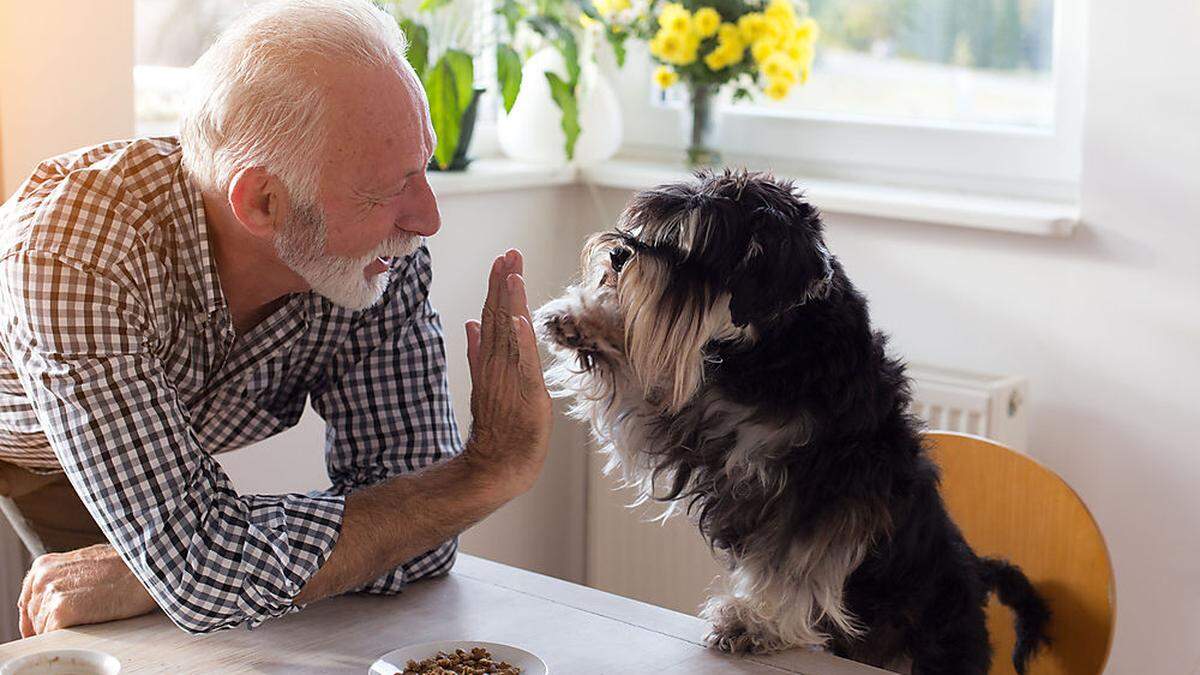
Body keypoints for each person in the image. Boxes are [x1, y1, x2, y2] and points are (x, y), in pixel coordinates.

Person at [0, 0, 552, 637]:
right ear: (262, 201)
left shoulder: (378, 258)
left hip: (152, 439)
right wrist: (488, 471)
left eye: (421, 167)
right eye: (383, 191)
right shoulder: (75, 255)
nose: (426, 219)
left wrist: (191, 561)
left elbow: (423, 539)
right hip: (23, 444)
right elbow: (206, 575)